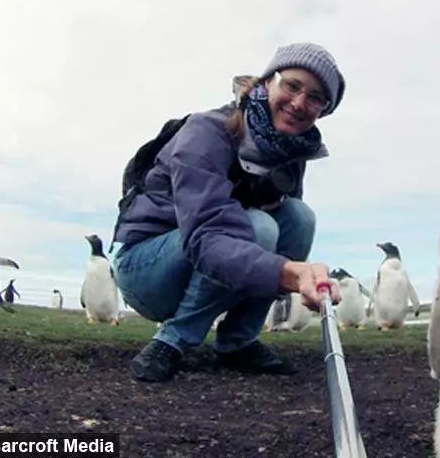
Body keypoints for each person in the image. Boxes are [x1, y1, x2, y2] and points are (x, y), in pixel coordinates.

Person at [112, 42, 344, 382]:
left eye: (315, 97)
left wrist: (288, 268)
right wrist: (291, 273)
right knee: (259, 227)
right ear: (268, 82)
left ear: (322, 111)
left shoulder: (292, 151)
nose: (298, 103)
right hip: (147, 268)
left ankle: (238, 339)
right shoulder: (207, 131)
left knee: (298, 218)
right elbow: (207, 234)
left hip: (209, 262)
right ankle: (173, 339)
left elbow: (280, 231)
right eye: (292, 85)